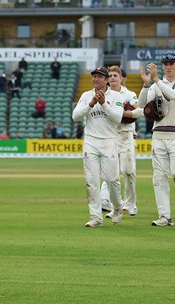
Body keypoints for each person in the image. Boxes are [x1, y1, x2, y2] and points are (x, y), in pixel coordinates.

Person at [138, 53, 175, 226]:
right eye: (165, 64)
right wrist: (146, 84)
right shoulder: (155, 86)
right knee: (159, 177)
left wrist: (156, 80)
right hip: (159, 134)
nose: (168, 67)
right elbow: (141, 105)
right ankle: (165, 216)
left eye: (171, 63)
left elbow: (174, 95)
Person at [72, 66, 124, 227]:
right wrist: (90, 104)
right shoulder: (86, 95)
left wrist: (103, 104)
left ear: (107, 80)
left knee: (111, 179)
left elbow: (118, 118)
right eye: (94, 76)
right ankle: (96, 217)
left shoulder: (116, 96)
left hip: (109, 141)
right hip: (91, 141)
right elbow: (75, 117)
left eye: (99, 77)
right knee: (91, 181)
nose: (96, 79)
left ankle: (117, 207)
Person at [101, 66, 142, 217]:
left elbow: (139, 110)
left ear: (121, 78)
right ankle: (107, 201)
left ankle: (131, 204)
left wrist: (124, 113)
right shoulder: (104, 94)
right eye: (109, 76)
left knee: (128, 171)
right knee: (109, 170)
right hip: (109, 135)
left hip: (125, 134)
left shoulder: (129, 94)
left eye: (114, 75)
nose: (112, 78)